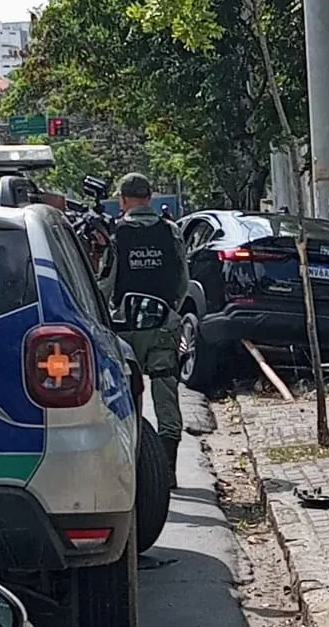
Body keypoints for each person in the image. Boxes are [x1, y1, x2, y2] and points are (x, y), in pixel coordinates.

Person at [98, 173, 190, 489]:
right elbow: (183, 281)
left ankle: (132, 468)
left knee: (124, 397)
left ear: (123, 200)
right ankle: (167, 471)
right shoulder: (171, 231)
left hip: (125, 330)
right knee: (166, 395)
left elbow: (106, 284)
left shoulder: (116, 234)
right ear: (150, 198)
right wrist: (169, 312)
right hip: (163, 326)